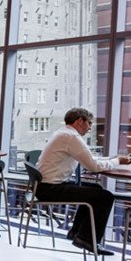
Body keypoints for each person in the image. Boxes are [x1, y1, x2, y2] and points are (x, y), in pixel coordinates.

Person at [36, 108, 129, 256]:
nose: (90, 127)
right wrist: (117, 160)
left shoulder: (63, 133)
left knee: (96, 188)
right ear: (80, 121)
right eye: (89, 123)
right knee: (105, 197)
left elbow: (91, 160)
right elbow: (93, 166)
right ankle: (86, 239)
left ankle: (77, 233)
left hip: (45, 186)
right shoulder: (71, 137)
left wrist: (113, 159)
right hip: (50, 189)